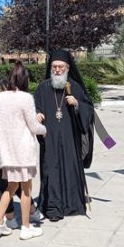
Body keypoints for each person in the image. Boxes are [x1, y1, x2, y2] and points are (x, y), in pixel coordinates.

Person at [34, 50, 94, 221]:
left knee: (69, 170)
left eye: (61, 67)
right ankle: (53, 208)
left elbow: (89, 110)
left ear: (67, 68)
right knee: (51, 171)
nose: (57, 70)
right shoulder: (43, 87)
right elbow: (36, 106)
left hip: (70, 139)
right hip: (50, 139)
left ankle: (72, 205)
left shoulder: (75, 87)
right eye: (54, 67)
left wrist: (77, 105)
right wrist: (37, 114)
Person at [0, 63, 47, 240]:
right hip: (23, 151)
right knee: (26, 189)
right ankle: (26, 227)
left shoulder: (0, 98)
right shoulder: (26, 98)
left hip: (6, 152)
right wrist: (44, 129)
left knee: (10, 187)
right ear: (25, 79)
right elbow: (33, 126)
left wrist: (1, 144)